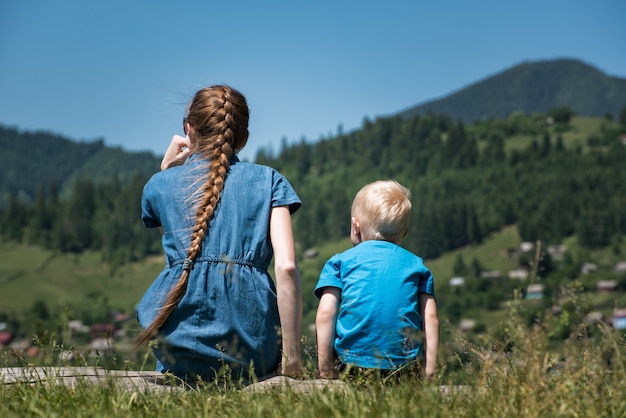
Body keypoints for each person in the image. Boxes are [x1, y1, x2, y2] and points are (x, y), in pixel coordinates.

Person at [134, 85, 303, 382]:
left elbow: (177, 244)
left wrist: (166, 169)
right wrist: (292, 358)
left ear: (189, 129)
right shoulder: (270, 181)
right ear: (243, 136)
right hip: (251, 347)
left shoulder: (158, 186)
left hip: (177, 346)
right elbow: (287, 267)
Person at [314, 180, 439, 381]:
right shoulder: (417, 266)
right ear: (404, 233)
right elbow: (430, 318)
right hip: (404, 367)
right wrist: (429, 371)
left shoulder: (339, 262)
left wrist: (325, 368)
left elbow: (325, 314)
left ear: (356, 226)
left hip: (351, 364)